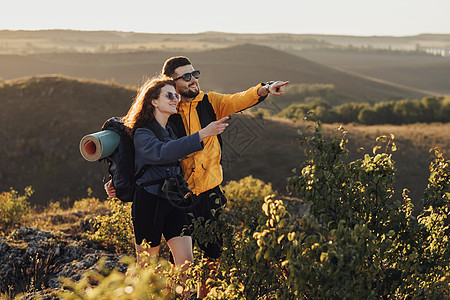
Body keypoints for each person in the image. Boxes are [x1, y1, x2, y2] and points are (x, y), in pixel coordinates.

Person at [107, 57, 288, 298]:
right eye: (187, 77)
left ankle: (202, 296)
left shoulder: (208, 103)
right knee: (161, 264)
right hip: (177, 194)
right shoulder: (167, 111)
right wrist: (117, 180)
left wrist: (264, 88)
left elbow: (238, 99)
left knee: (211, 253)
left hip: (207, 191)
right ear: (171, 85)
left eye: (195, 74)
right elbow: (140, 144)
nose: (194, 80)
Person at [118, 75, 229, 279]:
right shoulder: (142, 132)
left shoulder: (169, 129)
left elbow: (175, 150)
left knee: (186, 262)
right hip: (149, 201)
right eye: (169, 95)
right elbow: (162, 152)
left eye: (176, 95)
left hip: (173, 199)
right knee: (146, 265)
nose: (175, 99)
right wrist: (202, 134)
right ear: (153, 101)